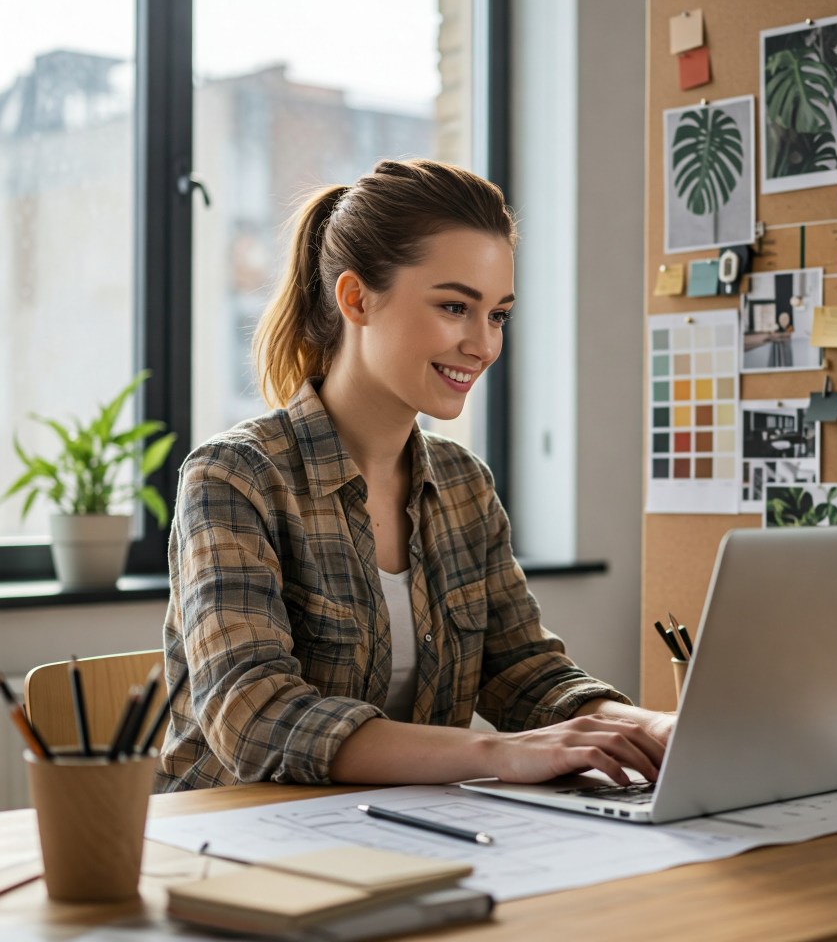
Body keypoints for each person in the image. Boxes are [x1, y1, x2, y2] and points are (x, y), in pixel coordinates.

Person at [156, 158, 673, 792]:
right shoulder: (236, 477)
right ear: (356, 298)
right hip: (237, 833)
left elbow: (525, 674)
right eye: (455, 306)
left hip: (408, 828)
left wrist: (654, 726)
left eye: (498, 315)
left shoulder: (463, 484)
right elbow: (256, 719)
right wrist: (500, 753)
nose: (484, 345)